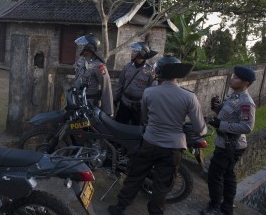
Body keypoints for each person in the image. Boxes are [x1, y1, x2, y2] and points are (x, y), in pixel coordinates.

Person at [108, 54, 207, 215]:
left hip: (149, 142)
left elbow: (144, 118)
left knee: (135, 176)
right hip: (173, 148)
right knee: (162, 187)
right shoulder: (189, 97)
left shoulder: (149, 93)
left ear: (158, 72)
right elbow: (199, 128)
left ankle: (119, 208)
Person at [200, 66, 256, 215]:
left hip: (230, 145)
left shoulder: (246, 102)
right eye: (233, 76)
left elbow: (246, 127)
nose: (232, 78)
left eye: (236, 77)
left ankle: (214, 206)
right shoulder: (234, 96)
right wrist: (217, 108)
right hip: (225, 143)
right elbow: (229, 115)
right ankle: (227, 207)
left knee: (215, 175)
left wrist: (221, 125)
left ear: (245, 83)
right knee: (228, 175)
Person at [114, 41, 157, 125]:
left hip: (139, 106)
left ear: (142, 53)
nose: (132, 53)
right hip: (124, 103)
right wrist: (115, 99)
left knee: (136, 129)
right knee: (119, 126)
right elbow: (120, 84)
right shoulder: (127, 67)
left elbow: (152, 90)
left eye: (135, 51)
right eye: (132, 51)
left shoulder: (150, 71)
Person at [73, 33, 113, 117]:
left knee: (88, 129)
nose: (80, 47)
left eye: (83, 45)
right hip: (77, 101)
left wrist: (108, 112)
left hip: (89, 104)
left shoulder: (99, 66)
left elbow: (106, 88)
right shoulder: (81, 60)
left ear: (89, 47)